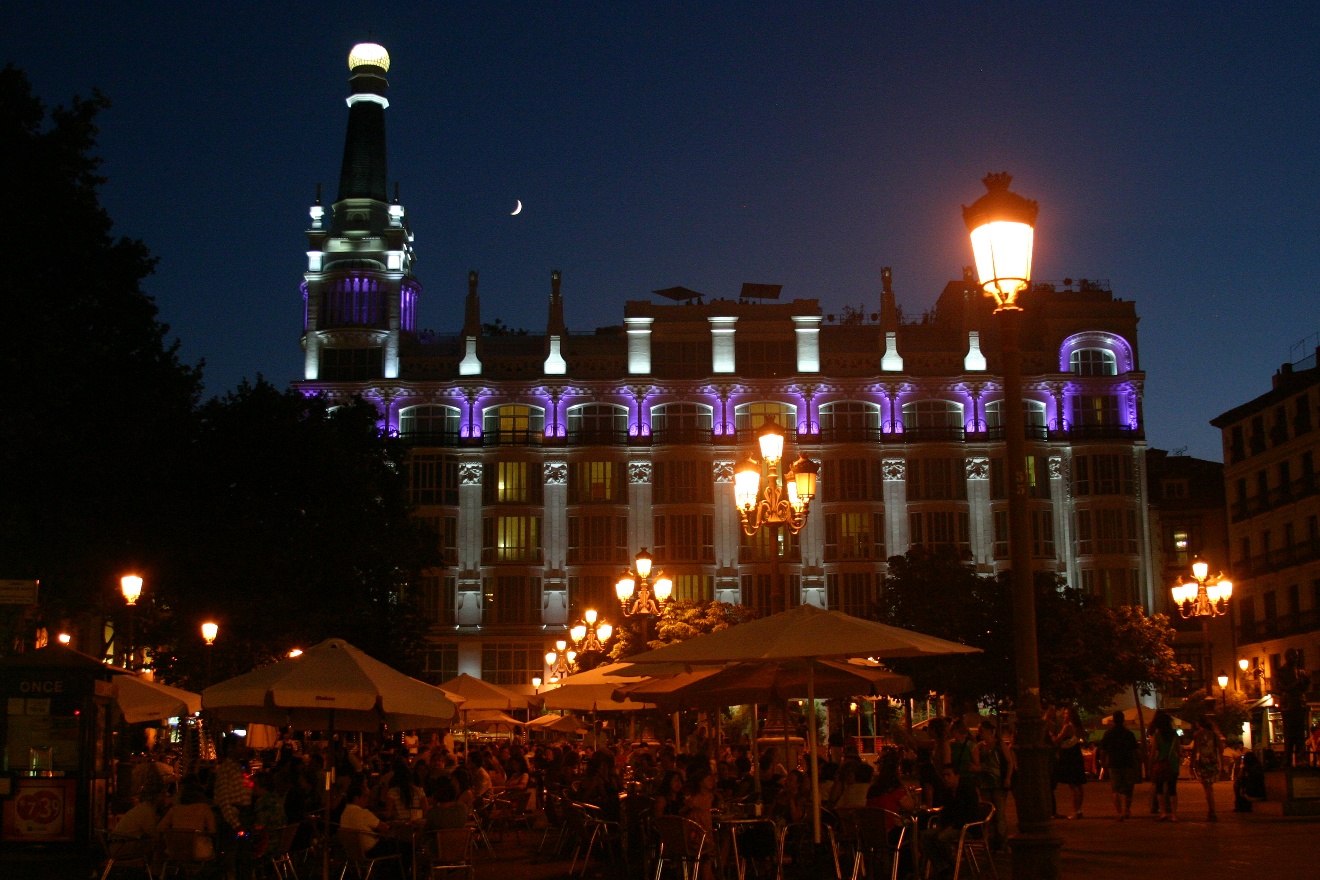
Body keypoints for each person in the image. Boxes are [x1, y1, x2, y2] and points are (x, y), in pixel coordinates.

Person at [920, 764, 981, 880]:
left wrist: (952, 825)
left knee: (942, 837)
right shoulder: (947, 792)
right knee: (925, 835)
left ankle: (953, 865)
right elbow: (946, 812)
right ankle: (942, 867)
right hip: (951, 827)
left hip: (967, 828)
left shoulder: (967, 790)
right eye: (944, 775)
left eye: (948, 775)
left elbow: (970, 814)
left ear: (957, 776)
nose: (946, 778)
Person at [340, 777, 409, 867]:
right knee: (406, 847)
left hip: (354, 852)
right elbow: (385, 829)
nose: (368, 799)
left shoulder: (344, 813)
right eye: (365, 796)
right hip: (371, 849)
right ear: (357, 798)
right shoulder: (362, 813)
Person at [158, 776, 217, 861]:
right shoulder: (204, 808)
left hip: (176, 850)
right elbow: (212, 831)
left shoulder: (174, 809)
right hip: (198, 851)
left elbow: (160, 828)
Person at [975, 720, 1012, 850]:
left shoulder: (1000, 744)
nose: (980, 733)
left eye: (982, 731)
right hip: (985, 784)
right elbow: (977, 763)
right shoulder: (980, 747)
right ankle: (992, 841)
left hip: (998, 783)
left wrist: (1007, 777)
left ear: (990, 731)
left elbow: (1009, 762)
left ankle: (1002, 841)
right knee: (989, 813)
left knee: (1000, 814)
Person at [1096, 711, 1139, 821]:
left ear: (1113, 720)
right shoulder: (1129, 734)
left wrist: (1104, 763)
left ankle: (1119, 812)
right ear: (1123, 720)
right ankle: (1127, 810)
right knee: (1128, 789)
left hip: (1114, 764)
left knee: (1115, 789)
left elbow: (1103, 750)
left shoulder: (1108, 734)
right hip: (1128, 763)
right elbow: (1135, 751)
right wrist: (1136, 763)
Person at [1052, 707, 1087, 819]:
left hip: (1069, 756)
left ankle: (1075, 811)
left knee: (1073, 784)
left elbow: (1058, 740)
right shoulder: (1077, 727)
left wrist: (1051, 736)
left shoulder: (1067, 726)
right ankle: (1079, 809)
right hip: (1076, 754)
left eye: (1066, 713)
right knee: (1078, 785)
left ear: (1071, 715)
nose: (1064, 715)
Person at [1190, 718, 1226, 821]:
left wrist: (1191, 765)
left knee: (1207, 789)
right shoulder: (1214, 735)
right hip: (1213, 763)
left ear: (1199, 723)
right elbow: (1221, 748)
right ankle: (1212, 811)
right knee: (1210, 788)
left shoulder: (1198, 735)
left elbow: (1194, 750)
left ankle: (1212, 811)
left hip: (1204, 763)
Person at [1149, 712, 1181, 821]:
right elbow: (1179, 751)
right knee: (1173, 789)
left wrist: (1151, 764)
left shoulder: (1157, 736)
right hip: (1172, 764)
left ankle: (1163, 812)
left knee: (1159, 789)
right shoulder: (1174, 735)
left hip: (1161, 763)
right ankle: (1174, 814)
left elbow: (1153, 753)